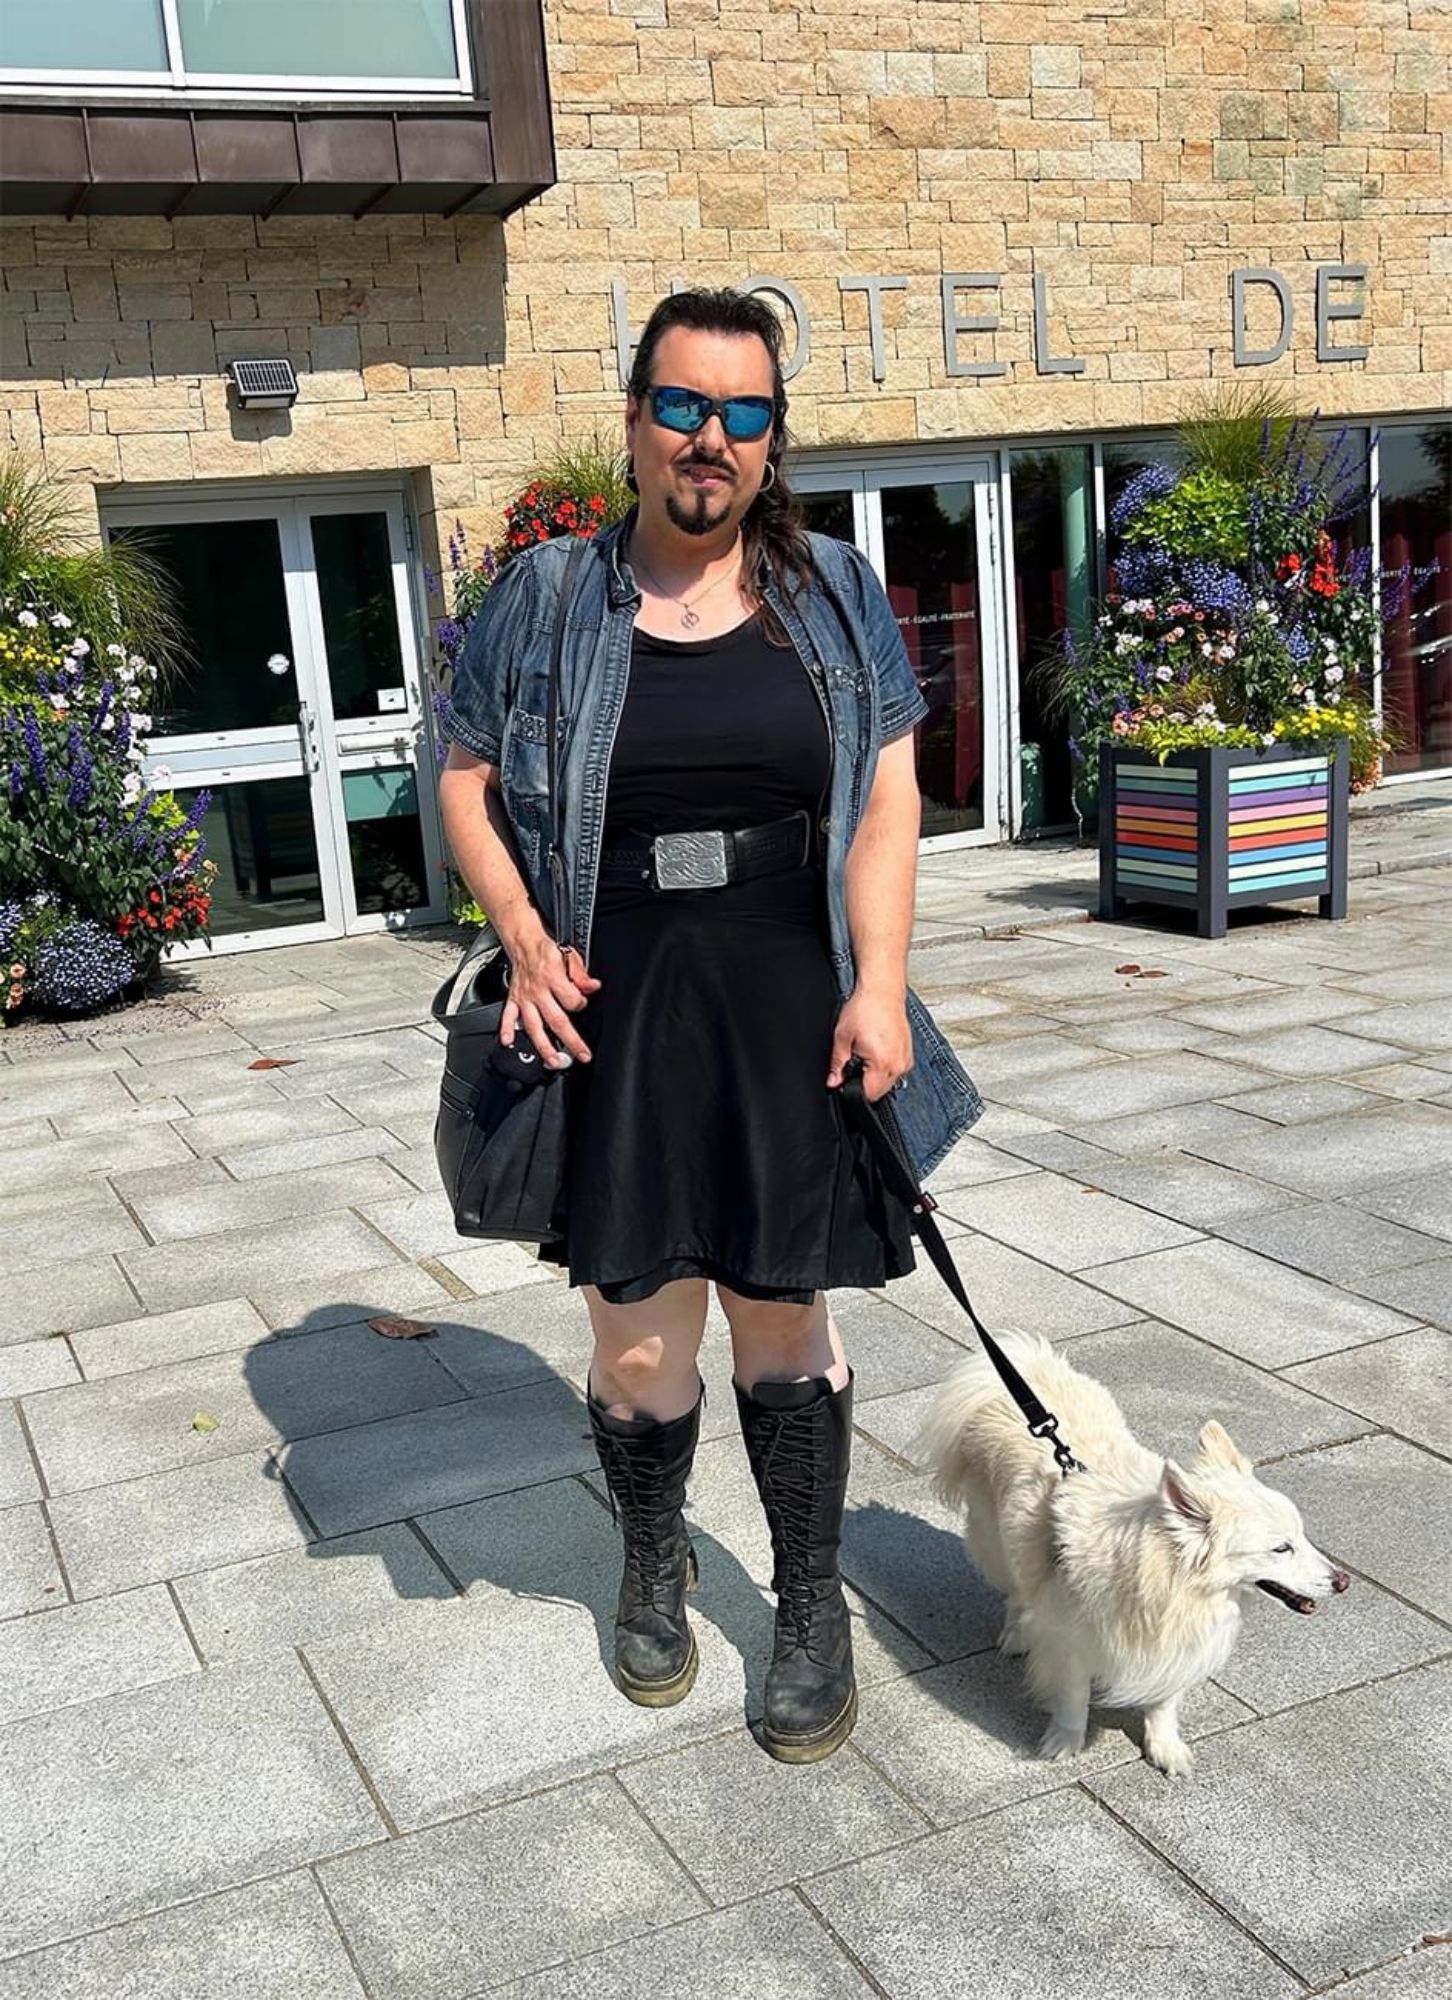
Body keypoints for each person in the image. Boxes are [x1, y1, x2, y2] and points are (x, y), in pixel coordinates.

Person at [439, 287, 982, 1764]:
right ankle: (651, 1553)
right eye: (683, 405)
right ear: (634, 420)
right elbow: (463, 776)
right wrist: (519, 932)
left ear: (771, 438)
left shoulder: (834, 592)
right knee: (635, 1341)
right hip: (616, 1003)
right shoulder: (548, 596)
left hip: (788, 995)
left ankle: (808, 1602)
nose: (709, 438)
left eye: (743, 414)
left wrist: (881, 981)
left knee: (786, 1318)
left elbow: (887, 794)